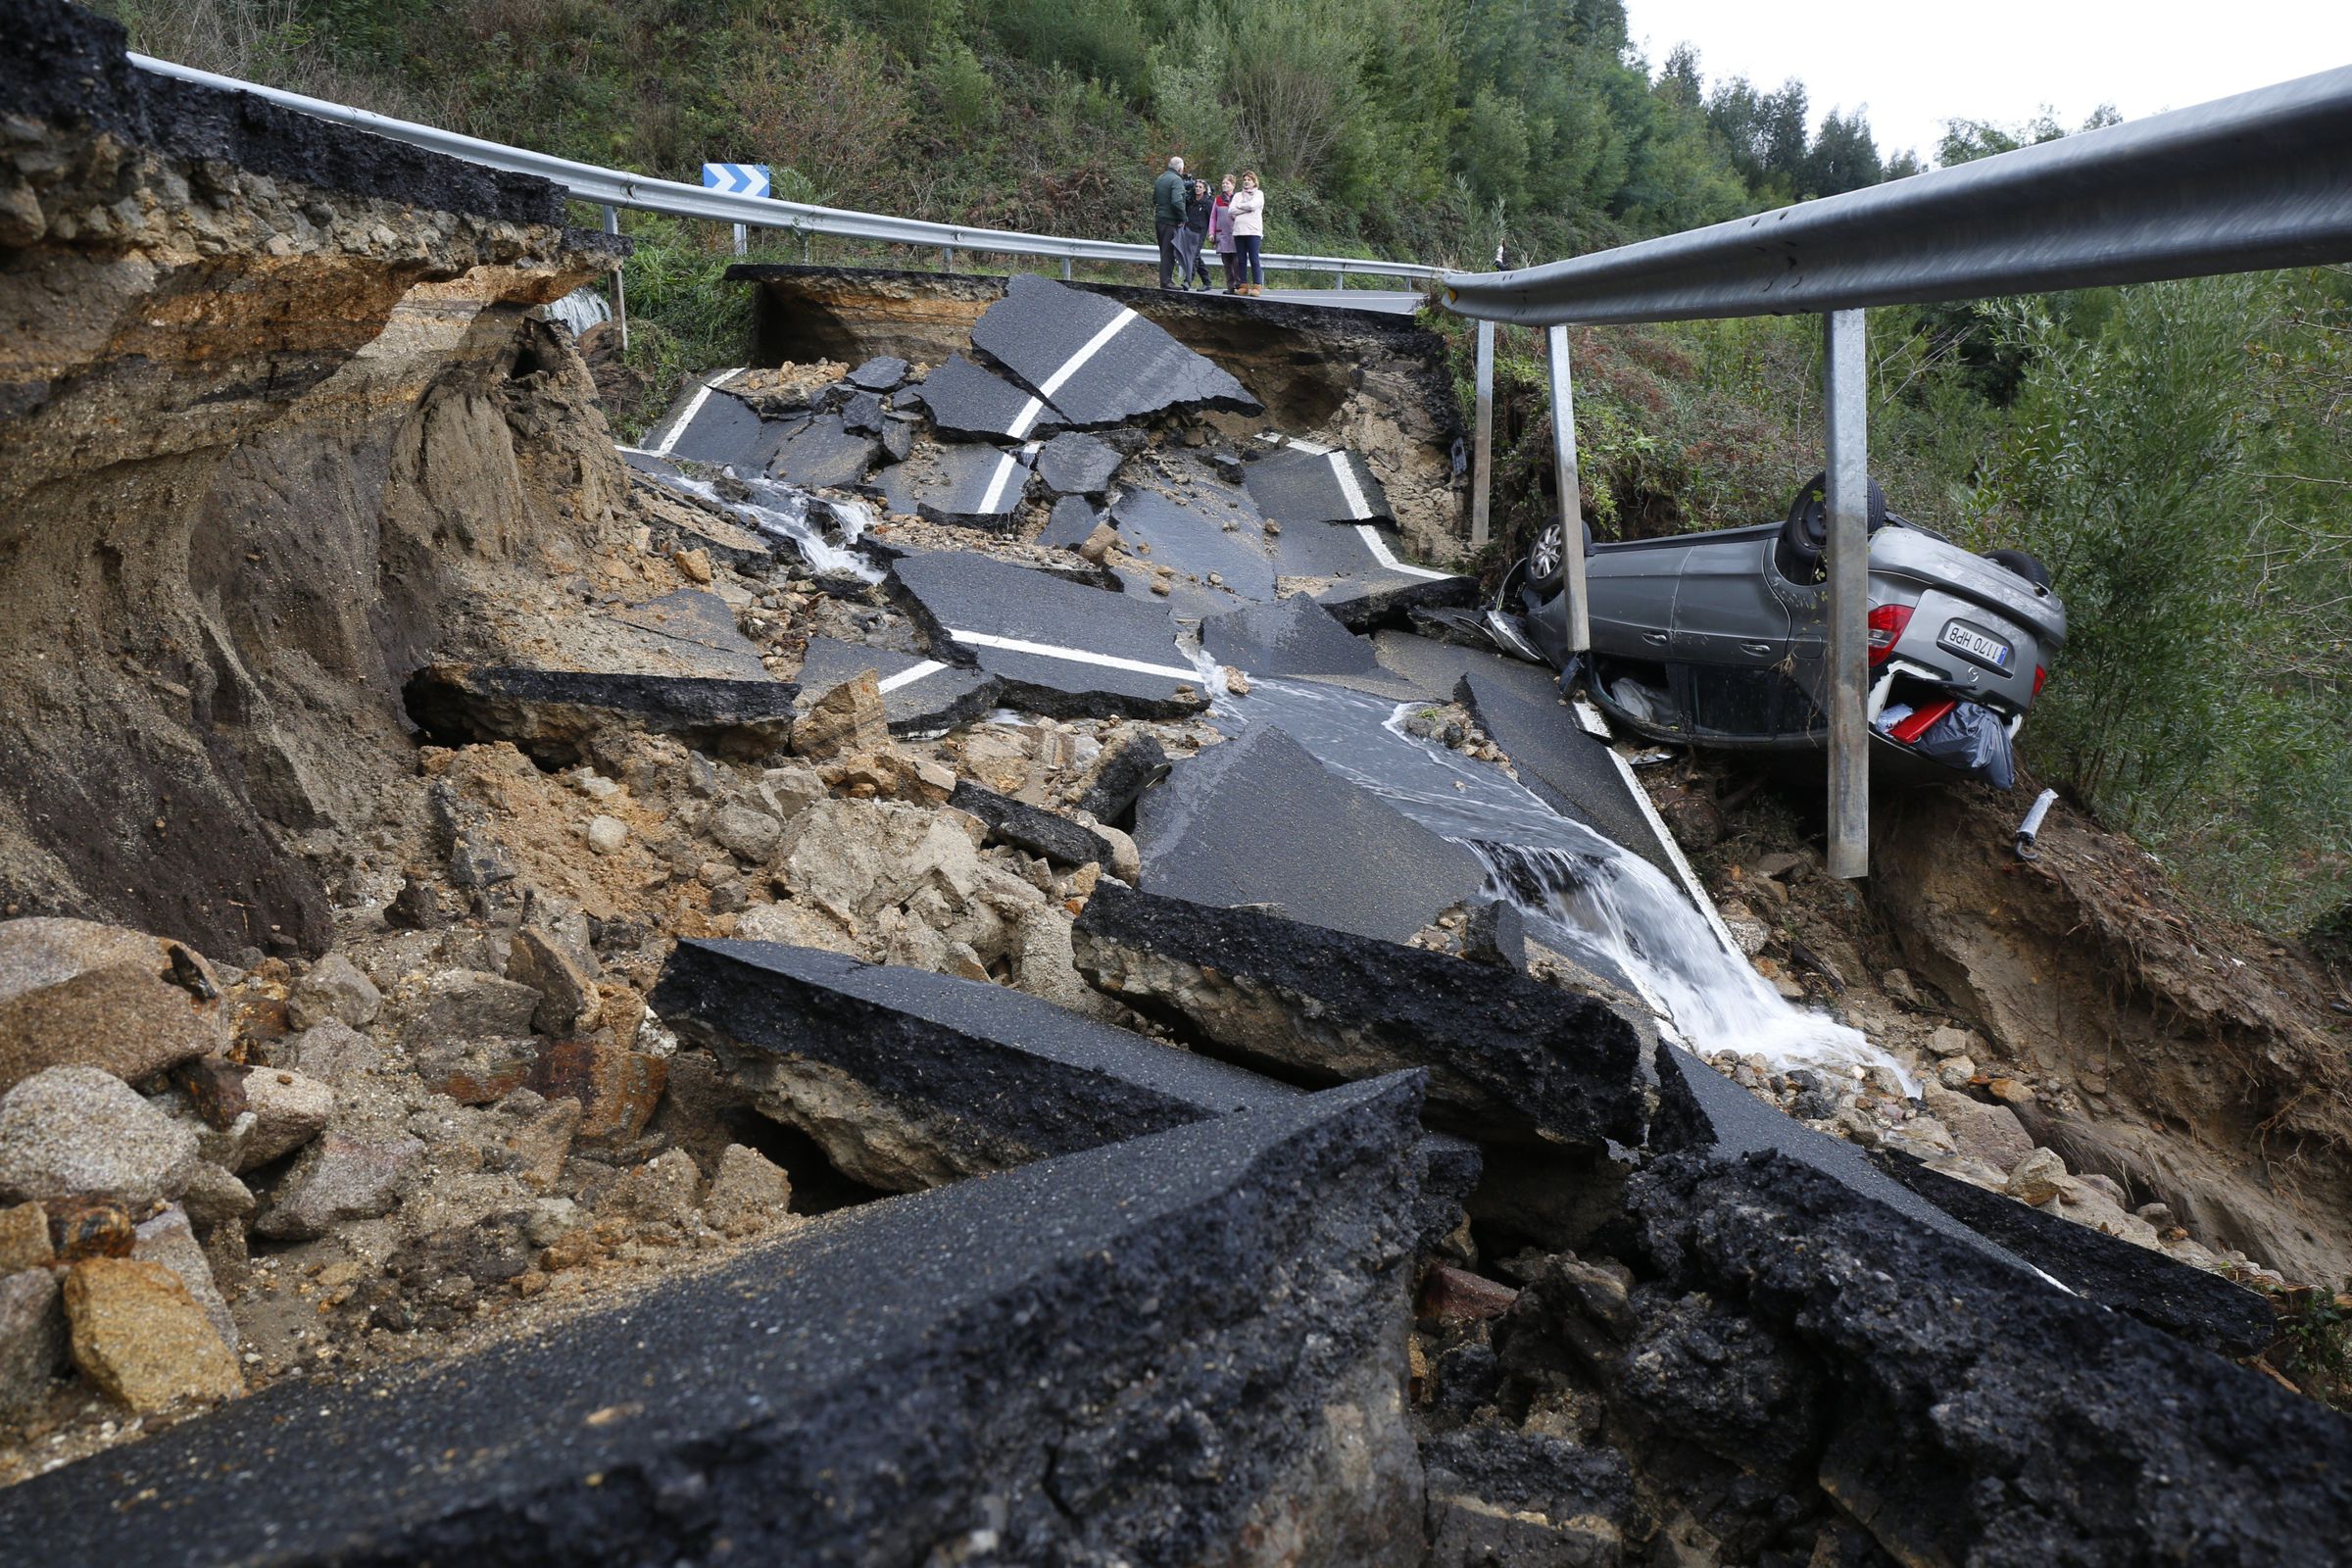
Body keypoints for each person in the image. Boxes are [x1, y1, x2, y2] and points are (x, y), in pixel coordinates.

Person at [1152, 155, 1188, 290]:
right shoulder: (1177, 180)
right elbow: (1177, 201)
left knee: (1164, 251)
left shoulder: (1160, 178)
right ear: (1180, 169)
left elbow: (1155, 198)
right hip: (1170, 220)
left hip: (1160, 219)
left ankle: (1165, 280)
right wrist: (1182, 217)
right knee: (1169, 252)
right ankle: (1166, 282)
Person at [1229, 171, 1265, 296]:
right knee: (1241, 260)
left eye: (1249, 180)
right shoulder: (1238, 195)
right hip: (1239, 231)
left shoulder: (1259, 194)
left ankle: (1257, 286)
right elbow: (1231, 210)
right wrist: (1244, 208)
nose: (1246, 182)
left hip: (1253, 231)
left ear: (1254, 182)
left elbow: (1253, 206)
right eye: (1244, 180)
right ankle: (1243, 285)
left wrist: (1240, 207)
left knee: (1254, 259)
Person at [1176, 177, 1213, 289]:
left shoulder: (1208, 203)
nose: (1197, 189)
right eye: (1196, 187)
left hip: (1200, 232)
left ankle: (1188, 281)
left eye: (1200, 187)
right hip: (1188, 230)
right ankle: (1207, 282)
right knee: (1196, 257)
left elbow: (1212, 219)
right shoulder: (1190, 200)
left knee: (1192, 256)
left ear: (1205, 189)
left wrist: (1212, 233)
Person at [1210, 174, 1240, 294]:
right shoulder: (1218, 200)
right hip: (1222, 235)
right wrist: (1211, 233)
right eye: (1223, 183)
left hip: (1236, 234)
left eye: (1227, 183)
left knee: (1237, 261)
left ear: (1233, 185)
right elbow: (1213, 217)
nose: (1224, 185)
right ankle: (1230, 286)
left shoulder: (1239, 198)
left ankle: (1239, 285)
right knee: (1226, 262)